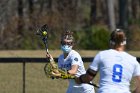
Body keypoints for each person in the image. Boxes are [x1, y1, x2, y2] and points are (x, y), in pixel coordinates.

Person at [75, 28, 140, 93]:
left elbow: (88, 77)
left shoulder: (102, 55)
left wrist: (79, 79)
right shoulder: (133, 60)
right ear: (124, 42)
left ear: (110, 42)